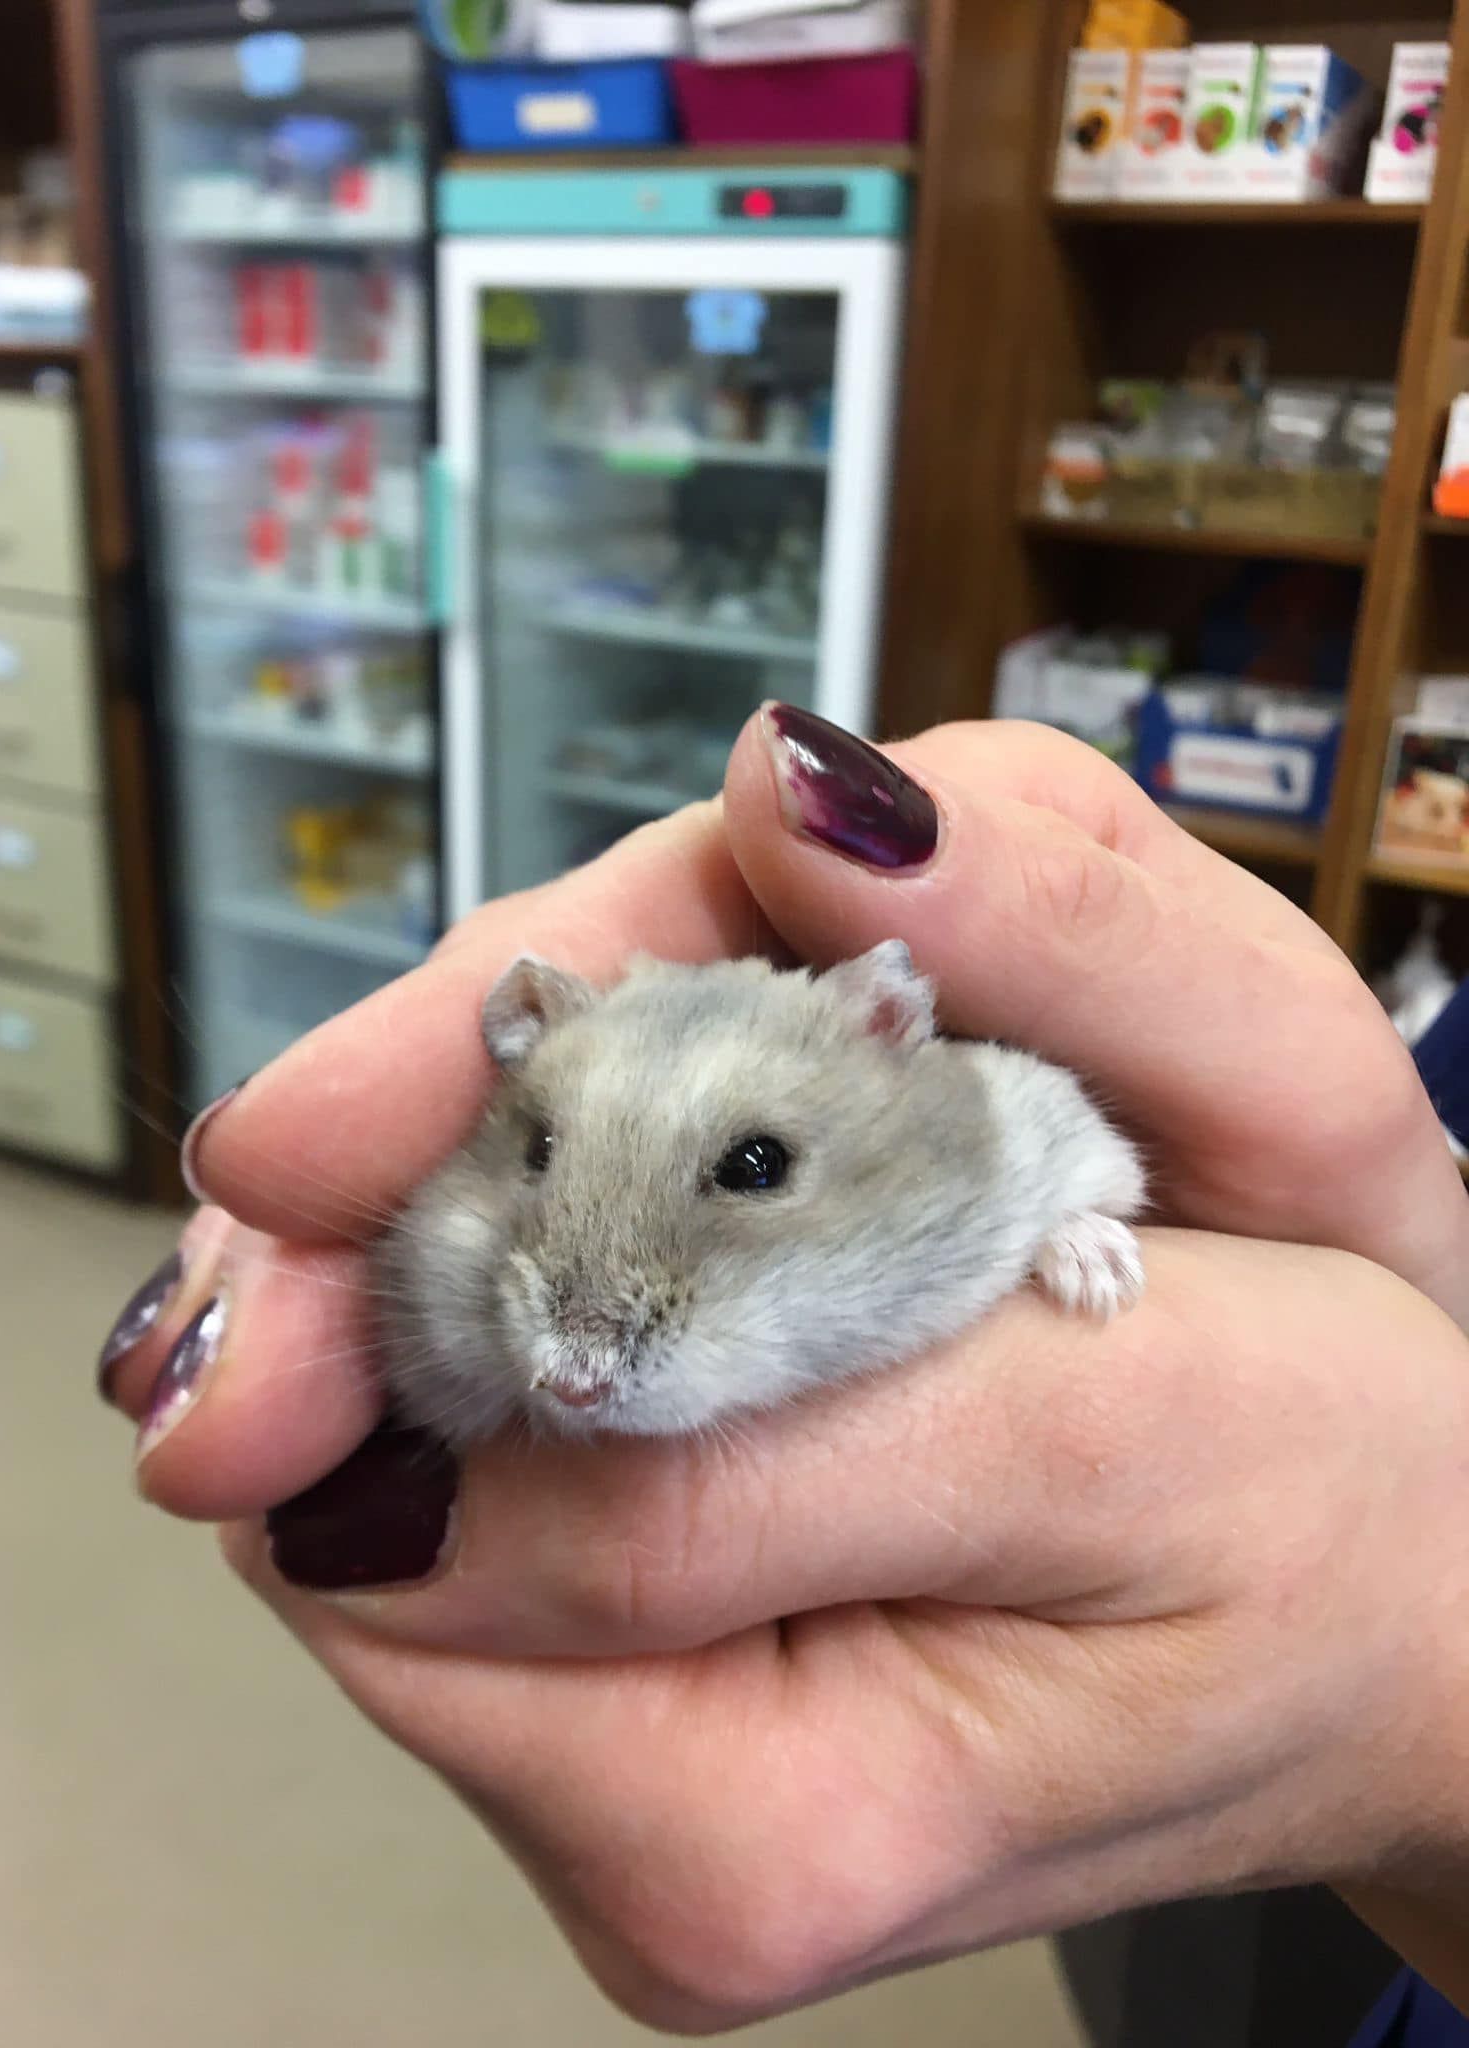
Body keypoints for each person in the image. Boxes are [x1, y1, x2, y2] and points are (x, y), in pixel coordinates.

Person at [99, 711, 1469, 2039]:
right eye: (540, 1161)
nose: (584, 1365)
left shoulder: (955, 1116)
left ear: (893, 1033)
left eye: (751, 1172)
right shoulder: (479, 1209)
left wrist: (1081, 1225)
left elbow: (1070, 1140)